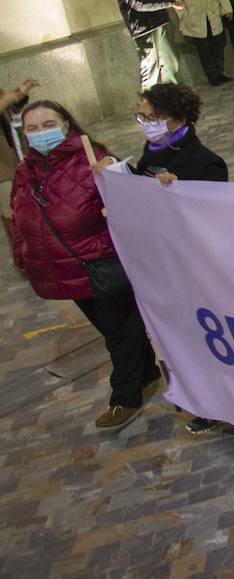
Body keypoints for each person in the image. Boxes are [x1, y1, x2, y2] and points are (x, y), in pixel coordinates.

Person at [9, 101, 160, 430]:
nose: (40, 133)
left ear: (66, 125)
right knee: (113, 328)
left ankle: (125, 397)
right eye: (32, 128)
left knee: (119, 332)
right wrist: (24, 255)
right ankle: (146, 372)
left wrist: (114, 174)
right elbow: (18, 219)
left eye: (48, 124)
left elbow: (131, 197)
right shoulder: (24, 172)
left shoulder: (93, 159)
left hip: (101, 263)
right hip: (65, 270)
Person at [124, 83, 229, 434]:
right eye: (142, 117)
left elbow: (214, 216)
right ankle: (195, 396)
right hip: (162, 264)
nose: (146, 124)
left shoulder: (205, 163)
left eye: (153, 117)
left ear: (179, 118)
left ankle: (217, 403)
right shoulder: (152, 152)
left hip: (195, 271)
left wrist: (179, 192)